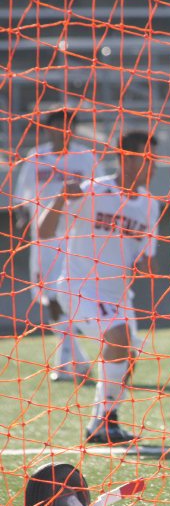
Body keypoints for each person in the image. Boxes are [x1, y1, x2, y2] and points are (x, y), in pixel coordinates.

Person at [39, 130, 160, 445]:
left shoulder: (150, 205)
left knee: (128, 357)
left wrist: (146, 268)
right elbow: (44, 230)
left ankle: (102, 423)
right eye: (144, 158)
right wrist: (60, 199)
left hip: (118, 295)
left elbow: (147, 258)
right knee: (119, 339)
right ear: (125, 158)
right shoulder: (93, 191)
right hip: (79, 289)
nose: (151, 166)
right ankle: (104, 421)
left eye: (153, 159)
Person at [13, 108, 97, 383]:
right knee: (49, 298)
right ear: (48, 129)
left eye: (67, 126)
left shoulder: (86, 158)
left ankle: (74, 359)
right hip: (45, 239)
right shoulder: (36, 158)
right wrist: (21, 226)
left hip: (78, 239)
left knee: (72, 297)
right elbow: (21, 201)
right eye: (56, 126)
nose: (62, 131)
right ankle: (72, 360)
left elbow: (100, 196)